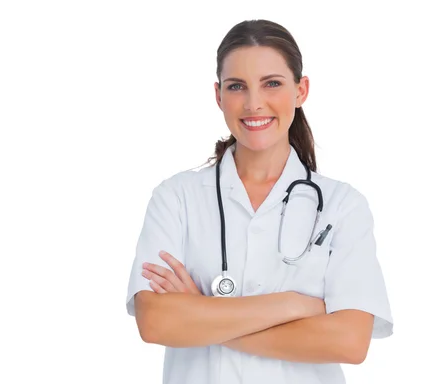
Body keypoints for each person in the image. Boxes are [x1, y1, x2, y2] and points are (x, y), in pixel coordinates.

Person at [124, 19, 394, 384]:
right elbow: (156, 322)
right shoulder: (176, 198)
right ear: (218, 95)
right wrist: (294, 305)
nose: (254, 103)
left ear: (301, 91)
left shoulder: (342, 205)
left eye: (272, 84)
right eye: (237, 86)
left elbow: (349, 341)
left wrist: (203, 316)